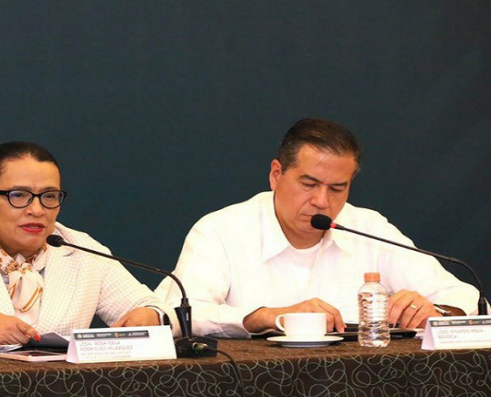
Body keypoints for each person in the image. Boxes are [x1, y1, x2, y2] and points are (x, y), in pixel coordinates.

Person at [158, 117, 479, 338]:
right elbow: (180, 314)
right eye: (309, 184)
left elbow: (467, 297)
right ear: (276, 175)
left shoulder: (367, 227)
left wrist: (436, 311)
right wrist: (267, 316)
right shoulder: (221, 230)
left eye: (337, 188)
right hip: (253, 396)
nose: (321, 201)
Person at [0, 141, 173, 345]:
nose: (37, 210)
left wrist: (149, 315)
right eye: (19, 195)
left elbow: (152, 306)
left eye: (49, 196)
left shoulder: (79, 249)